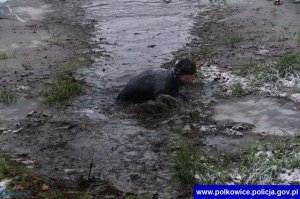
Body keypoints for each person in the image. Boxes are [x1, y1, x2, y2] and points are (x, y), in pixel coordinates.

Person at [117, 57, 197, 103]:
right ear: (178, 75)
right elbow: (159, 102)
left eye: (193, 76)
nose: (192, 79)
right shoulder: (163, 84)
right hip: (126, 99)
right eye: (188, 78)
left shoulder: (173, 77)